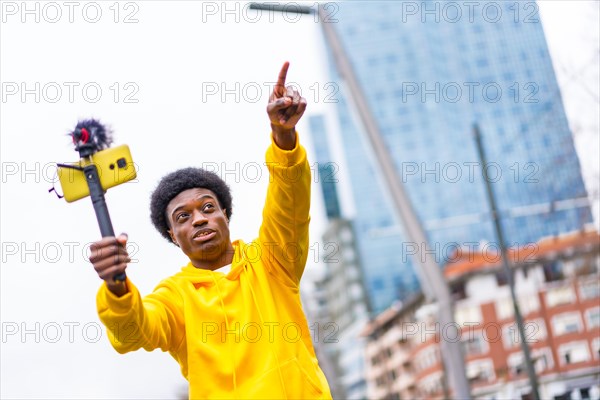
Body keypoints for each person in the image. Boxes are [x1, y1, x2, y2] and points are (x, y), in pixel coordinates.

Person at [89, 62, 333, 399]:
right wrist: (116, 288)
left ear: (225, 215)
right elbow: (133, 332)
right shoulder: (175, 297)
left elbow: (289, 203)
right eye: (183, 217)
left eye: (207, 208)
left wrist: (284, 137)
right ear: (173, 235)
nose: (199, 219)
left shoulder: (273, 261)